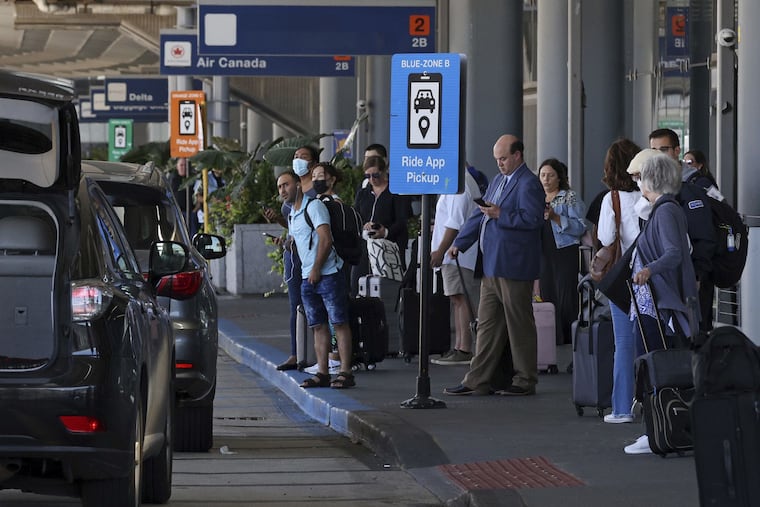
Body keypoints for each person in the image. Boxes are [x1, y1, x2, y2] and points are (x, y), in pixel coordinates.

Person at [443, 134, 545, 396]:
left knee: (518, 324)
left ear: (517, 155)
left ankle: (525, 379)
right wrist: (459, 243)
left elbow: (533, 220)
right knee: (487, 324)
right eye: (497, 159)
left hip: (514, 265)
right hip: (492, 264)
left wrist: (502, 214)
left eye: (503, 158)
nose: (499, 164)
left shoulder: (529, 183)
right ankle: (476, 379)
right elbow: (480, 213)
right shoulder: (499, 180)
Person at [623, 154, 699, 455]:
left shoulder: (665, 211)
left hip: (656, 304)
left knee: (654, 365)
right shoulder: (665, 209)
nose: (638, 183)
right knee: (654, 365)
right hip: (654, 303)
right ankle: (660, 428)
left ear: (651, 179)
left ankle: (658, 429)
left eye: (641, 177)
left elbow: (673, 253)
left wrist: (648, 270)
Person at [277, 170, 355, 389]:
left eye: (286, 185)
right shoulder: (292, 214)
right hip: (307, 278)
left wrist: (317, 268)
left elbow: (326, 238)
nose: (283, 190)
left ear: (298, 185)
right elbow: (298, 241)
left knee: (339, 323)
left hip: (328, 274)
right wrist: (283, 244)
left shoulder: (314, 207)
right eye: (280, 187)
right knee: (317, 325)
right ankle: (322, 372)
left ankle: (345, 372)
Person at [648, 129, 716, 332]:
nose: (658, 155)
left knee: (693, 340)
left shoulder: (692, 187)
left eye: (664, 149)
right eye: (653, 150)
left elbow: (703, 236)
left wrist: (697, 276)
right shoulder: (652, 187)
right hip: (666, 279)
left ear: (677, 151)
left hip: (690, 280)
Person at [597, 140, 644, 424]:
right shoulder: (649, 195)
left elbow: (605, 238)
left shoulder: (611, 199)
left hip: (622, 278)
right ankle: (653, 400)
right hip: (650, 275)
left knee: (624, 342)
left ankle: (622, 408)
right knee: (649, 340)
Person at [264, 145, 319, 371]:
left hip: (313, 257)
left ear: (314, 163)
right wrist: (278, 221)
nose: (298, 160)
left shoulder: (316, 193)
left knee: (319, 306)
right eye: (295, 157)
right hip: (293, 256)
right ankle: (297, 353)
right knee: (295, 305)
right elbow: (295, 227)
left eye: (303, 157)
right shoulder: (291, 198)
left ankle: (323, 356)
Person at [429, 169, 482, 365]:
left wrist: (440, 251)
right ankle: (460, 346)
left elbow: (455, 222)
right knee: (457, 298)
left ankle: (464, 348)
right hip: (453, 253)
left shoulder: (460, 184)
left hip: (456, 253)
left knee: (461, 298)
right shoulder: (453, 181)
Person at [536, 158, 588, 345]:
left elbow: (580, 227)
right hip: (543, 251)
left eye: (550, 175)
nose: (546, 179)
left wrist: (556, 217)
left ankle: (569, 336)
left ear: (559, 178)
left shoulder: (569, 197)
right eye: (543, 175)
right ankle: (552, 335)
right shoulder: (535, 197)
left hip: (565, 250)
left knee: (566, 294)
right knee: (547, 292)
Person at [352, 155, 412, 295]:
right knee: (358, 283)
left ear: (384, 172)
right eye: (368, 176)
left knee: (386, 287)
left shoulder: (395, 192)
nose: (372, 179)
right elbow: (356, 216)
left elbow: (402, 220)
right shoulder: (363, 193)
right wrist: (364, 226)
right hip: (366, 246)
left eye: (376, 175)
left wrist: (385, 232)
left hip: (389, 247)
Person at [167, 157, 198, 236]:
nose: (183, 167)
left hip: (191, 212)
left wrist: (195, 209)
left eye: (185, 165)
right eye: (181, 165)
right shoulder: (172, 178)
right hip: (177, 212)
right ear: (177, 166)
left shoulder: (192, 178)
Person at [193, 167, 225, 233]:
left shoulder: (226, 179)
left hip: (222, 216)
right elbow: (197, 197)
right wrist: (211, 200)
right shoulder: (204, 177)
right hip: (206, 216)